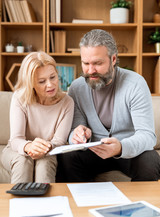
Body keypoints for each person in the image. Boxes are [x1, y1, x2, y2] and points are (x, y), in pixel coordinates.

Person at [58, 29, 160, 182]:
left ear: (113, 59)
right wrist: (77, 135)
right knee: (68, 157)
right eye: (85, 63)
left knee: (150, 158)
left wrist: (120, 147)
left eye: (98, 63)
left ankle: (140, 204)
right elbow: (75, 130)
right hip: (93, 151)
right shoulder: (76, 88)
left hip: (128, 152)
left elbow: (147, 136)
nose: (90, 70)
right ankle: (82, 203)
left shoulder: (135, 84)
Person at [1, 51, 74, 183]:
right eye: (42, 81)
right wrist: (29, 147)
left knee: (45, 162)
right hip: (17, 149)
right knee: (23, 160)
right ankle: (19, 202)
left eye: (53, 77)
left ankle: (46, 203)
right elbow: (16, 139)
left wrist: (44, 148)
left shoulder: (67, 102)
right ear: (31, 84)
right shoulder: (19, 98)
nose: (50, 85)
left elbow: (59, 140)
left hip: (49, 150)